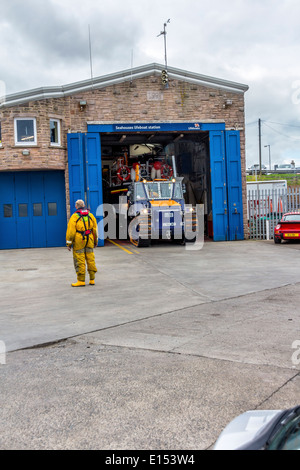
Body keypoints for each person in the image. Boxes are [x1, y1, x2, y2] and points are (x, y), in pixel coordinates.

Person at [66, 200, 98, 287]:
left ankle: (81, 280)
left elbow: (71, 232)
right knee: (90, 259)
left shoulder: (74, 217)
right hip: (90, 239)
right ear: (83, 205)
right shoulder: (90, 215)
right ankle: (92, 279)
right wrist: (95, 241)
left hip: (79, 240)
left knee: (80, 260)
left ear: (76, 207)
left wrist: (69, 244)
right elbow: (95, 230)